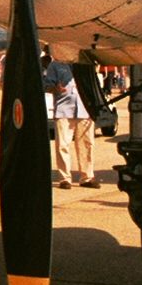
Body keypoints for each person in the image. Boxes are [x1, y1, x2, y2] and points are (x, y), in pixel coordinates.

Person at [44, 50, 96, 188]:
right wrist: (55, 88)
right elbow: (46, 85)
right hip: (64, 109)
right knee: (62, 144)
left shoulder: (86, 64)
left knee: (86, 144)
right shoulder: (55, 65)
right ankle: (65, 178)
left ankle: (87, 177)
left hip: (85, 109)